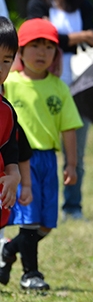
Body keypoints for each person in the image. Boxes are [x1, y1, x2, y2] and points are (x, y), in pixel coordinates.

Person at [1, 18, 82, 291]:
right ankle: (30, 274)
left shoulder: (59, 87)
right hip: (22, 160)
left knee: (46, 224)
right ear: (20, 52)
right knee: (29, 221)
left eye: (49, 47)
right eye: (34, 45)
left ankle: (8, 251)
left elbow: (69, 128)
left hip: (48, 160)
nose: (41, 52)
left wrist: (71, 164)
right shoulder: (9, 82)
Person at [27, 0, 93, 221]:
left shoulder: (84, 5)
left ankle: (73, 206)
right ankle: (33, 201)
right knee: (38, 149)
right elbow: (39, 38)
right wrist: (80, 36)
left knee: (76, 153)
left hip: (81, 85)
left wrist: (61, 35)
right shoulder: (37, 3)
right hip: (44, 84)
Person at [0, 17, 32, 268]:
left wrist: (13, 176)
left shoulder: (7, 112)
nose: (0, 68)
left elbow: (10, 151)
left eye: (6, 61)